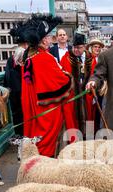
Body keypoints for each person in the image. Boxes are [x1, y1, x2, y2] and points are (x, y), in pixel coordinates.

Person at [21, 14, 73, 157]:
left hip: (33, 106)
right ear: (43, 40)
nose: (51, 38)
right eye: (49, 36)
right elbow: (61, 81)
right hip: (47, 110)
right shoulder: (44, 58)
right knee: (47, 140)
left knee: (36, 135)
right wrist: (68, 76)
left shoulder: (30, 56)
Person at [60, 32, 97, 139]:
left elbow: (96, 76)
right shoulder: (66, 59)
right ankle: (75, 141)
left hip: (88, 97)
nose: (76, 50)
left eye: (79, 48)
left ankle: (90, 140)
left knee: (90, 119)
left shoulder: (92, 59)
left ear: (84, 46)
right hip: (73, 97)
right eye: (74, 47)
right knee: (73, 120)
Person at [4, 21, 28, 136]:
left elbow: (6, 78)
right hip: (22, 94)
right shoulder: (24, 56)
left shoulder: (10, 59)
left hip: (14, 95)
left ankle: (20, 138)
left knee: (17, 119)